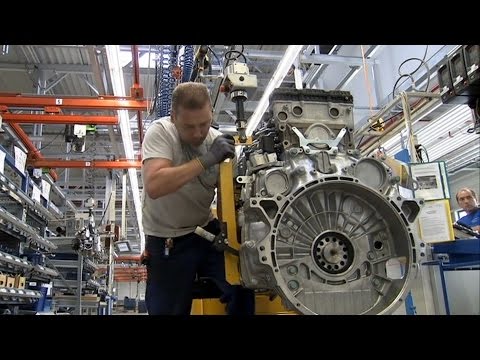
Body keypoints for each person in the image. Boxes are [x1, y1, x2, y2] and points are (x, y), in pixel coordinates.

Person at [141, 82, 255, 315]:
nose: (197, 133)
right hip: (166, 239)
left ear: (211, 114)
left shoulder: (218, 144)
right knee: (166, 310)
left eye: (203, 124)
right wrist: (206, 160)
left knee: (244, 285)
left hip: (205, 233)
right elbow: (155, 185)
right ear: (173, 117)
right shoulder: (161, 132)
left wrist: (231, 232)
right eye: (189, 126)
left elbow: (230, 200)